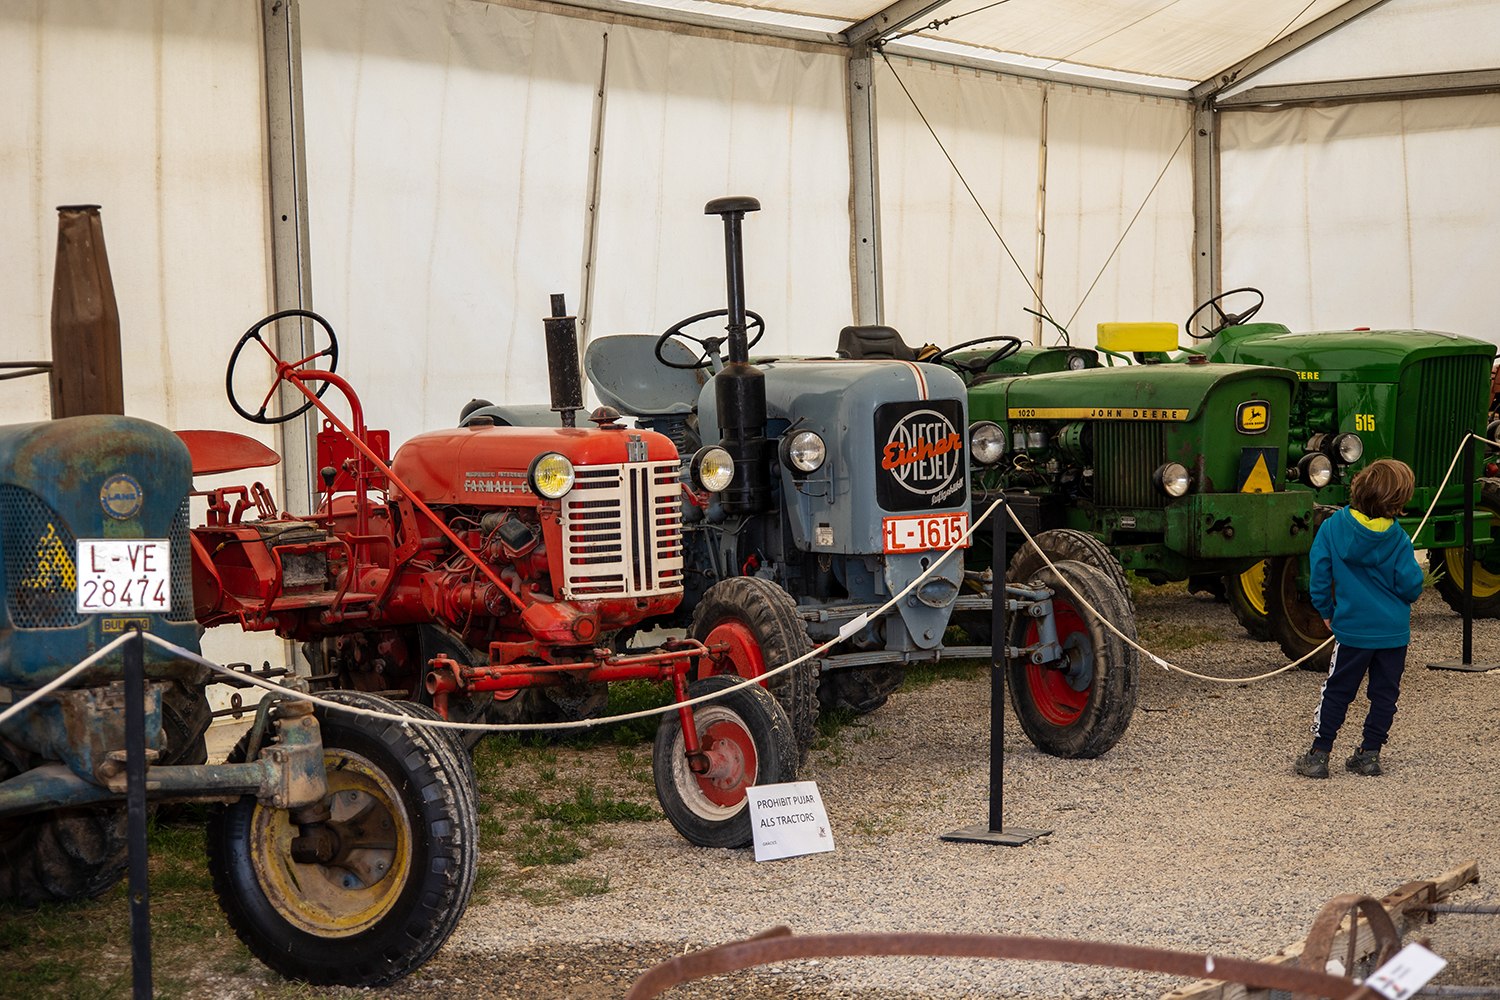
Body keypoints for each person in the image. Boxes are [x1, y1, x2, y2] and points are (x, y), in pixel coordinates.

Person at [1294, 458, 1425, 778]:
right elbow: (1411, 587)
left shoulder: (1332, 527)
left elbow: (1320, 577)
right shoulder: (1398, 537)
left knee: (1337, 690)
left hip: (1352, 629)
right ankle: (1369, 754)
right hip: (1393, 632)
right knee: (1385, 693)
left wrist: (1325, 610)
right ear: (1398, 501)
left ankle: (1319, 754)